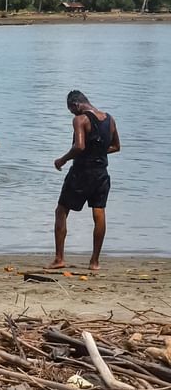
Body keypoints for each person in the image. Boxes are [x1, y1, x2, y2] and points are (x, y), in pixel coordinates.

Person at [49, 90, 120, 271]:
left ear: (76, 105)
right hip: (101, 174)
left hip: (81, 173)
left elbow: (79, 146)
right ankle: (94, 262)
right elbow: (116, 146)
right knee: (99, 213)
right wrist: (97, 152)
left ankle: (59, 259)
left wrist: (62, 160)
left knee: (61, 211)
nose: (72, 114)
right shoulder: (109, 119)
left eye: (71, 110)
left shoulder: (80, 120)